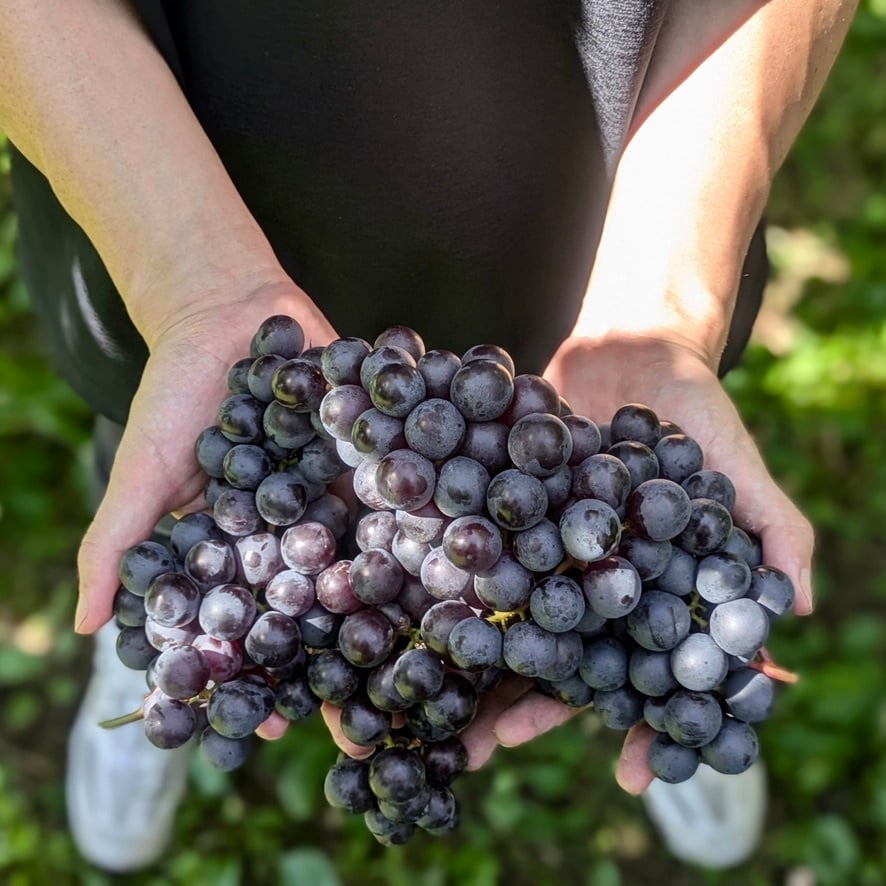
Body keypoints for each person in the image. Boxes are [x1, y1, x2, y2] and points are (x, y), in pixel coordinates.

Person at [0, 0, 854, 872]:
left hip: (617, 207)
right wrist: (191, 285)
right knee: (190, 452)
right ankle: (184, 639)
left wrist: (666, 309)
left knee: (626, 452)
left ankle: (662, 657)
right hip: (168, 173)